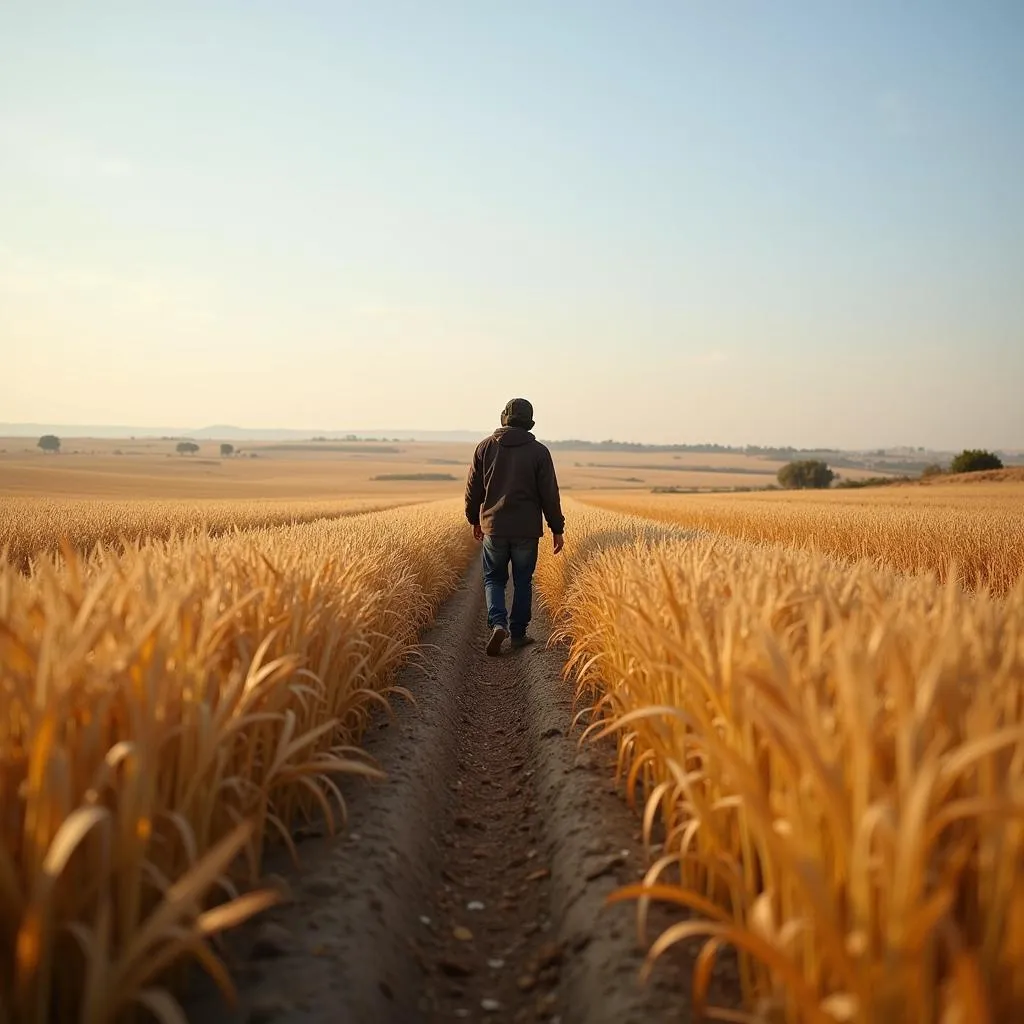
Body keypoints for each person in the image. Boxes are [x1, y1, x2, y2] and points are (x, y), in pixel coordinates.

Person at [464, 398, 565, 656]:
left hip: (494, 528)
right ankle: (518, 634)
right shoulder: (540, 452)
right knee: (522, 580)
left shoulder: (484, 447)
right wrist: (557, 528)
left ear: (504, 417)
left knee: (494, 579)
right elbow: (549, 495)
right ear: (529, 422)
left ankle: (498, 623)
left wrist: (474, 519)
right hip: (526, 530)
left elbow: (473, 490)